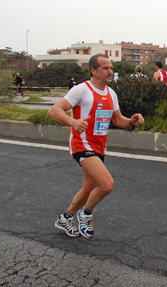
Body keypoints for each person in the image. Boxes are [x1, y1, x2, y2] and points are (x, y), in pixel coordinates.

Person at [48, 54, 145, 239]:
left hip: (99, 147)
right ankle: (85, 214)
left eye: (111, 68)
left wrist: (132, 121)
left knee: (88, 188)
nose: (110, 71)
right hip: (82, 144)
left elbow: (118, 120)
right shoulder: (82, 90)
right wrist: (73, 122)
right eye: (105, 68)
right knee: (107, 184)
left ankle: (65, 218)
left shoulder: (111, 94)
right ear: (93, 71)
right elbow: (54, 110)